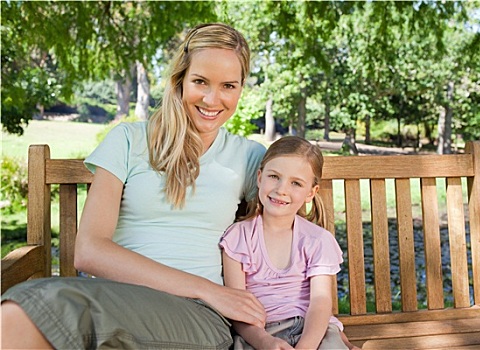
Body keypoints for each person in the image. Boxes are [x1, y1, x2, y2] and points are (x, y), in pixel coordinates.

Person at [1, 23, 268, 349]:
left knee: (25, 311)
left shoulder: (250, 157)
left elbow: (292, 243)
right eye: (200, 82)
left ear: (241, 88)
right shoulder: (128, 140)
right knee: (22, 308)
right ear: (180, 80)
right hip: (118, 298)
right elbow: (89, 250)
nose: (213, 99)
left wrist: (319, 324)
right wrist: (207, 287)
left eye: (228, 85)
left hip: (197, 315)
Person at [220, 136, 360, 349]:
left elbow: (321, 303)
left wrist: (306, 346)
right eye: (274, 176)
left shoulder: (317, 240)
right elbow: (237, 307)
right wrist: (264, 341)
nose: (281, 189)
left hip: (314, 330)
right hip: (261, 332)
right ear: (259, 178)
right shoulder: (238, 238)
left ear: (311, 193)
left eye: (296, 183)